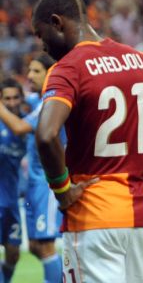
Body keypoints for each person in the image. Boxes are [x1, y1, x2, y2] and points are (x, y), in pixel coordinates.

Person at [32, 0, 143, 283]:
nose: (42, 45)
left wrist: (62, 191)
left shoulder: (67, 69)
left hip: (92, 214)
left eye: (41, 33)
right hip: (140, 216)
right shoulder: (141, 61)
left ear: (57, 22)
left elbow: (46, 135)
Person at [0, 54, 64, 283]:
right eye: (29, 70)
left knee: (45, 246)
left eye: (36, 71)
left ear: (50, 73)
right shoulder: (37, 102)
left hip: (48, 183)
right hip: (34, 186)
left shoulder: (50, 102)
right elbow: (18, 100)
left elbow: (18, 127)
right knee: (36, 246)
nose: (29, 76)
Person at [0, 78, 26, 283]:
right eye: (6, 98)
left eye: (15, 97)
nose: (11, 102)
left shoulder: (27, 125)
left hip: (12, 202)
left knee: (13, 253)